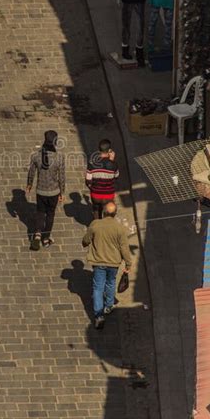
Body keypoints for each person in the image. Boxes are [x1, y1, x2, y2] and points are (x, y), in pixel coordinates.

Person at [82, 201, 132, 329]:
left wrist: (85, 243)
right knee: (110, 282)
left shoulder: (95, 224)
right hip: (113, 262)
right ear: (115, 214)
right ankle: (109, 305)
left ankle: (98, 315)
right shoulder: (119, 228)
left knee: (98, 288)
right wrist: (128, 263)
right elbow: (124, 248)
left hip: (99, 261)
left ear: (104, 212)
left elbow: (86, 240)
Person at [26, 130, 65, 250]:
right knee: (50, 214)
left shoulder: (36, 156)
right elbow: (62, 177)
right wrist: (62, 192)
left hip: (40, 191)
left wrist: (29, 184)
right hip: (54, 192)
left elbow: (31, 172)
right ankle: (46, 238)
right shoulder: (59, 158)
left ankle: (37, 234)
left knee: (40, 212)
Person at [85, 139, 119, 219]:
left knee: (96, 211)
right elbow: (116, 177)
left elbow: (88, 181)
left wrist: (93, 189)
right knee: (107, 214)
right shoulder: (114, 165)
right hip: (108, 196)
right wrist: (112, 161)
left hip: (95, 195)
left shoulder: (92, 164)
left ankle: (96, 225)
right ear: (109, 150)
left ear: (99, 150)